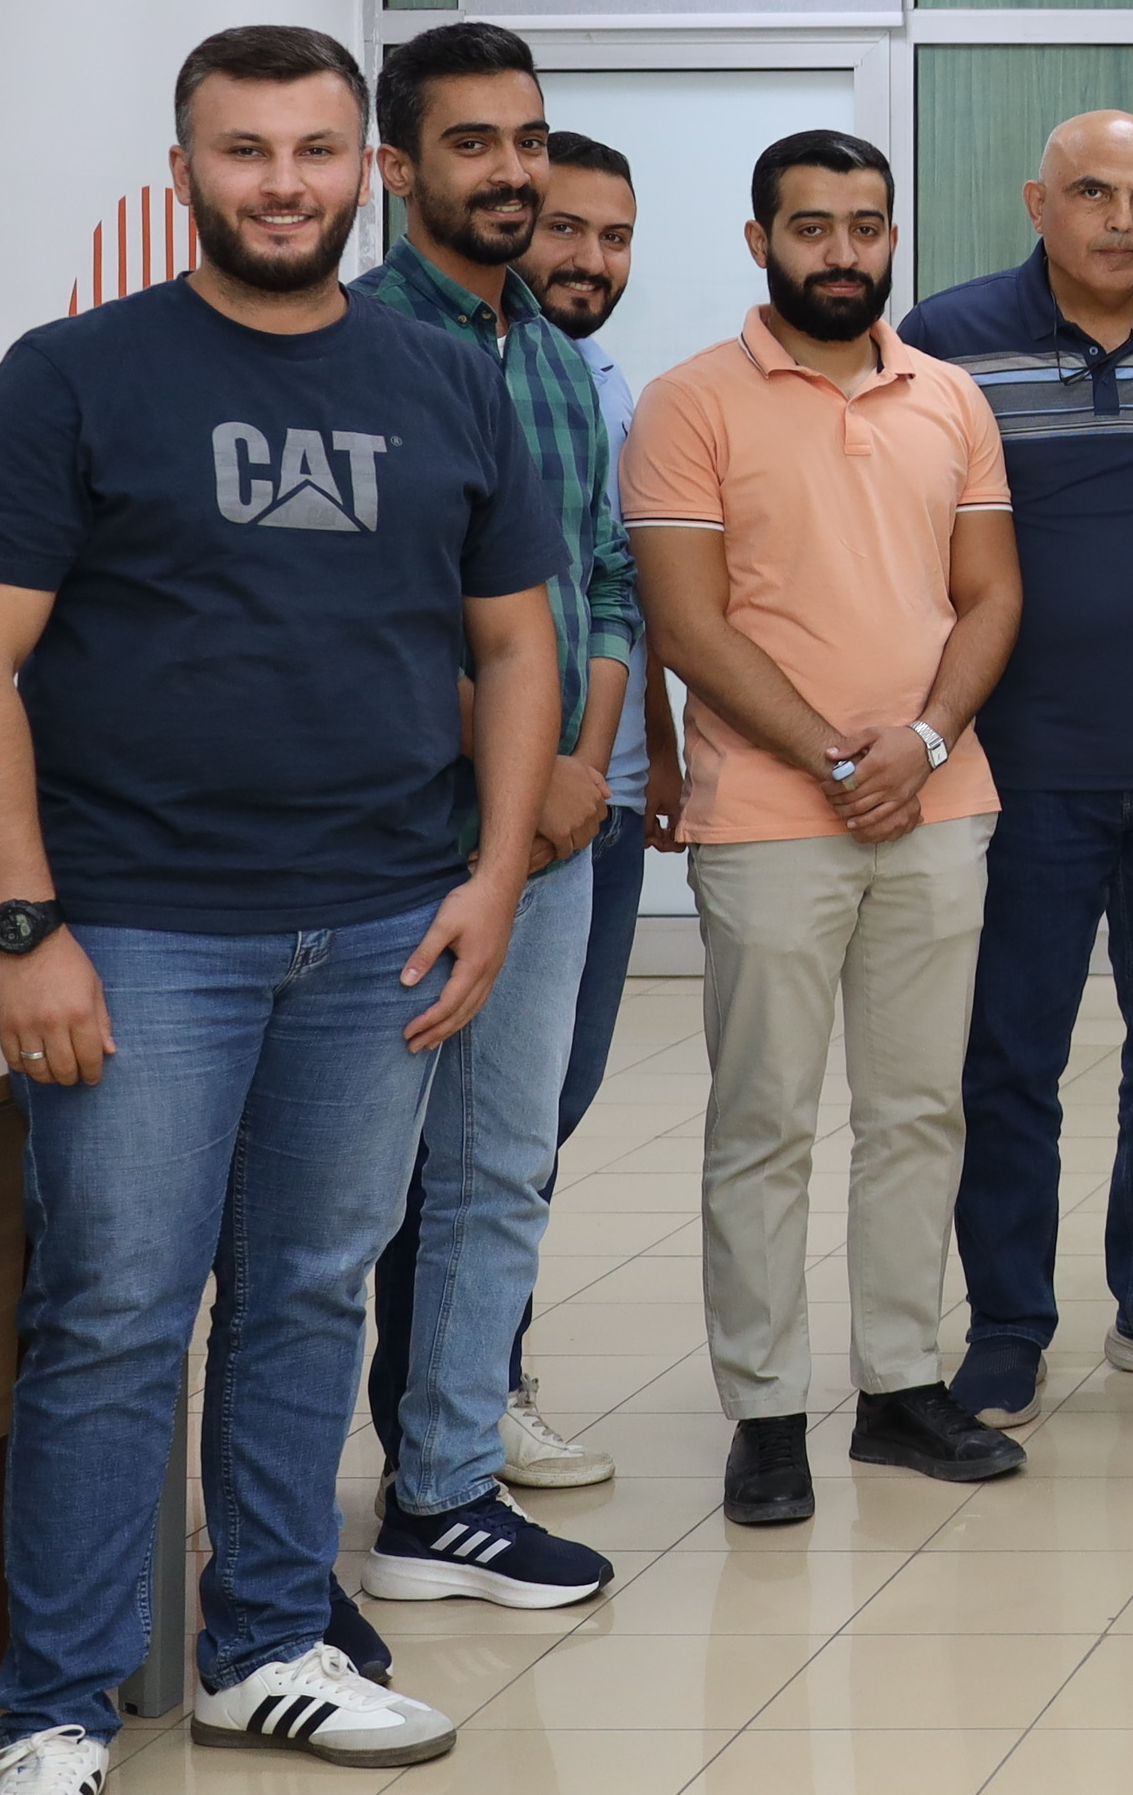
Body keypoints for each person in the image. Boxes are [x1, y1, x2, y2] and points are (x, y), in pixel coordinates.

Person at [0, 24, 561, 1789]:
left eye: (313, 150)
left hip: (381, 926)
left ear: (366, 169)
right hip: (140, 929)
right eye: (244, 151)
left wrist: (495, 876)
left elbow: (519, 645)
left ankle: (268, 1643)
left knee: (307, 1294)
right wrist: (23, 925)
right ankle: (57, 1705)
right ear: (187, 169)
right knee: (115, 1309)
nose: (282, 184)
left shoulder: (447, 382)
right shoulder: (76, 377)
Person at [626, 130, 1025, 1527]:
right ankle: (767, 1412)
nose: (843, 253)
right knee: (765, 1120)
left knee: (918, 1110)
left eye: (865, 226)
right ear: (761, 242)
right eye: (812, 228)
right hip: (767, 818)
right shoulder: (689, 404)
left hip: (938, 804)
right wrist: (836, 758)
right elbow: (688, 623)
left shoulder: (950, 396)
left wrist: (922, 745)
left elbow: (991, 595)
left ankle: (903, 1388)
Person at [897, 109, 1133, 1428]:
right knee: (1010, 1059)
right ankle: (1009, 1323)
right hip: (1017, 770)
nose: (1122, 220)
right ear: (1037, 201)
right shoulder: (948, 337)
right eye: (1093, 193)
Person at [345, 25, 631, 1626]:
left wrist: (576, 769)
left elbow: (596, 579)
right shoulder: (356, 342)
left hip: (544, 833)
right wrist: (531, 779)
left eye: (528, 139)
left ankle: (444, 1493)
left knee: (501, 1170)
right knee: (339, 1199)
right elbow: (375, 614)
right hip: (395, 834)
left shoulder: (551, 350)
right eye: (474, 143)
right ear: (398, 167)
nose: (513, 171)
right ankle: (271, 1532)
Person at [495, 127, 673, 1491]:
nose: (590, 259)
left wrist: (633, 754)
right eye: (565, 229)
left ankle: (482, 1377)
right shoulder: (457, 366)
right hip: (491, 806)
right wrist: (550, 769)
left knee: (547, 1108)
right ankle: (465, 1396)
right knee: (471, 1137)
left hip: (594, 809)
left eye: (614, 237)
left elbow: (621, 581)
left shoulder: (594, 378)